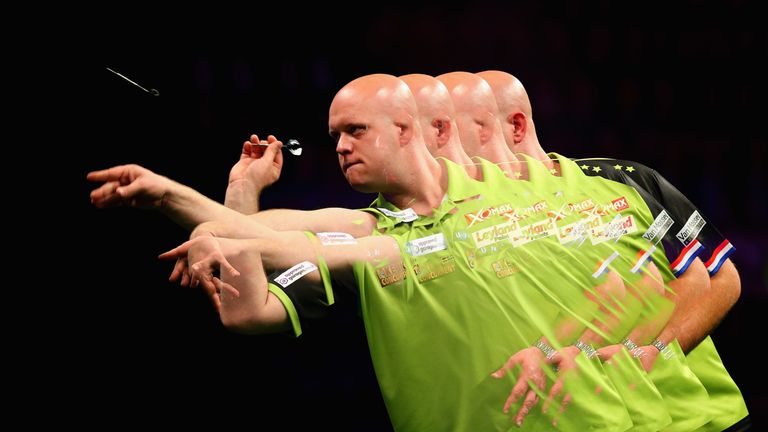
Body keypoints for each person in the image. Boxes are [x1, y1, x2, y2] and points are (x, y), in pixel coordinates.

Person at [478, 70, 749, 431]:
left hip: (700, 418)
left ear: (516, 126)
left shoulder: (625, 180)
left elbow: (722, 279)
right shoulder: (476, 224)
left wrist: (651, 355)